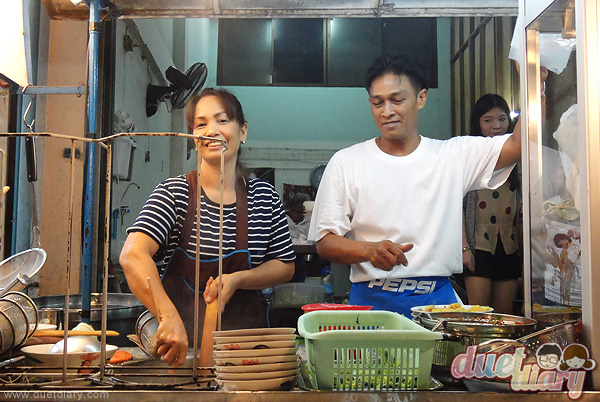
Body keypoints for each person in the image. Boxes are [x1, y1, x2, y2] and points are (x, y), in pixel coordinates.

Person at [308, 54, 522, 318]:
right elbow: (326, 242)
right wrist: (368, 249)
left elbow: (518, 145)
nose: (387, 111)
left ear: (421, 98)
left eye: (397, 100)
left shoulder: (454, 155)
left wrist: (535, 84)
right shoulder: (346, 162)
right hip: (371, 303)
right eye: (377, 102)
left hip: (439, 303)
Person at [120, 88, 295, 367]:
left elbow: (284, 265)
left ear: (243, 131)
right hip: (178, 353)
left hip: (246, 356)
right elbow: (133, 255)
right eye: (201, 124)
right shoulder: (174, 193)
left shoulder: (264, 197)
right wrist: (167, 316)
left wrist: (238, 279)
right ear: (193, 137)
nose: (211, 130)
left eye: (222, 120)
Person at [461, 94, 522, 314]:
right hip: (479, 246)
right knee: (479, 315)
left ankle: (501, 351)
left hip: (509, 245)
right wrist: (464, 248)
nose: (496, 126)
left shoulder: (520, 157)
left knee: (505, 315)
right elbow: (457, 208)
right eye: (488, 120)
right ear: (478, 123)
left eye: (502, 119)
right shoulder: (467, 156)